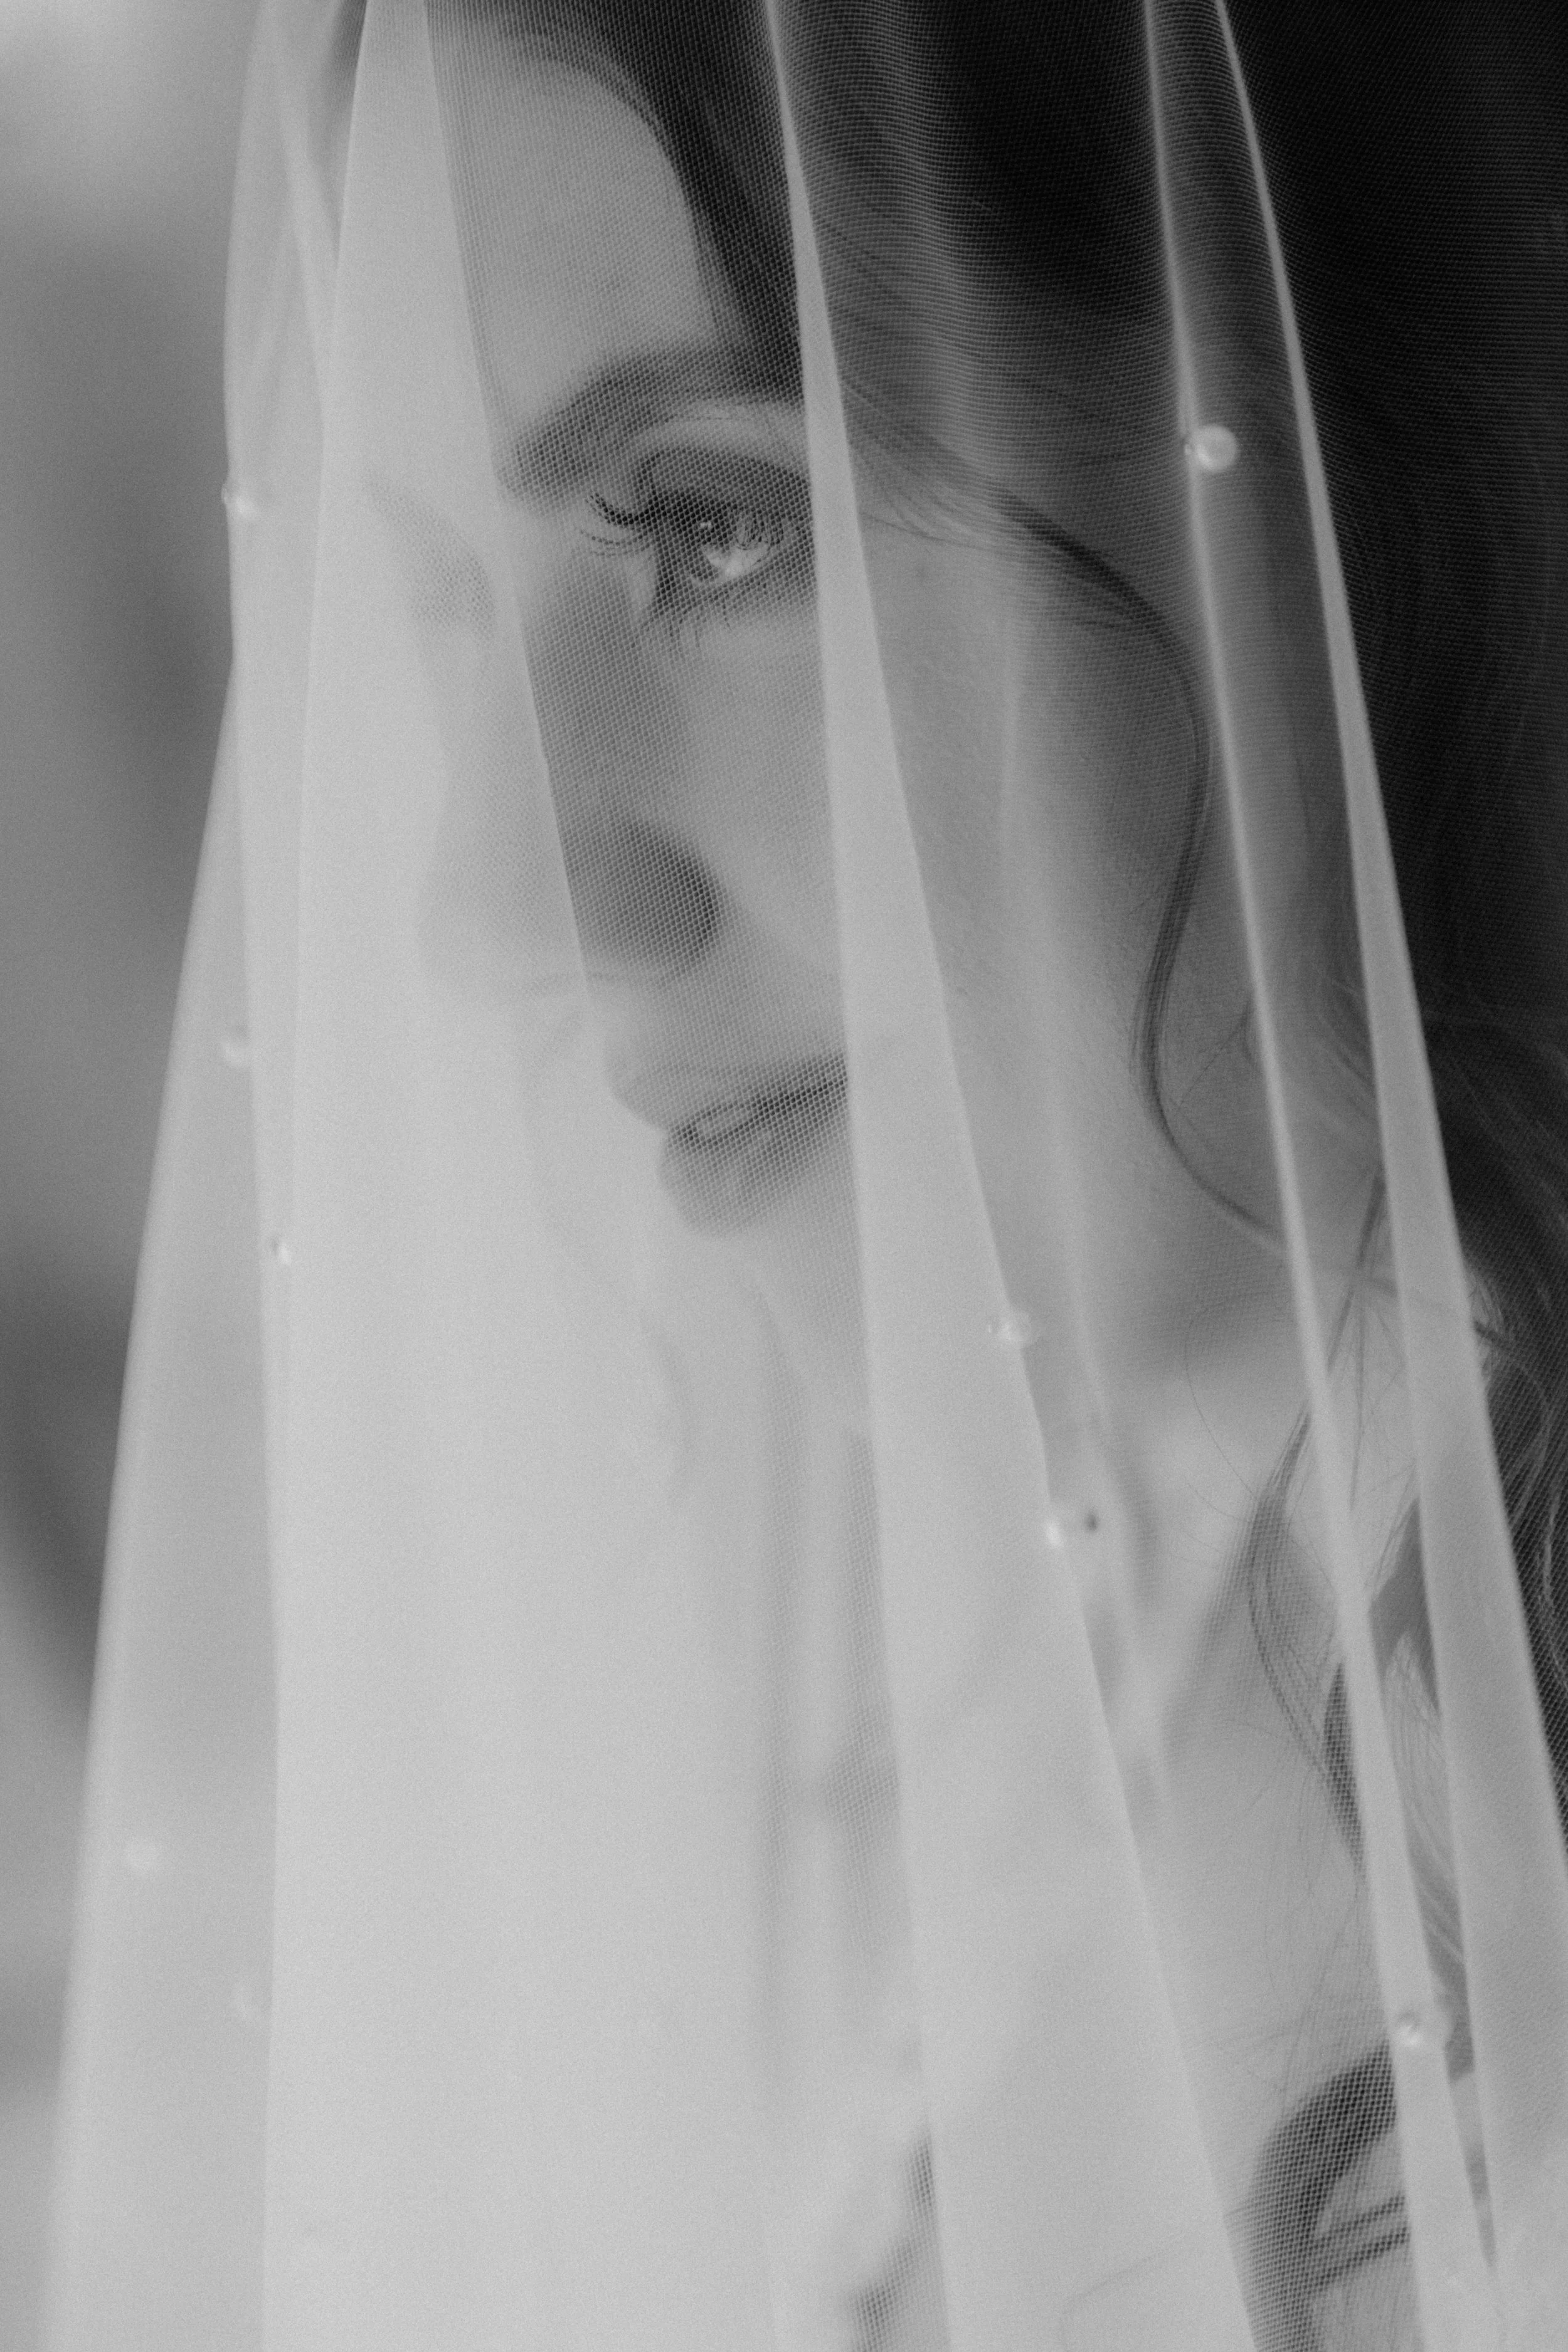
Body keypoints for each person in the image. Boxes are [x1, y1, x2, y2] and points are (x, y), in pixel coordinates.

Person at [45, 4, 1568, 2349]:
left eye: (709, 521)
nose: (511, 900)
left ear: (1358, 451)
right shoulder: (996, 1712)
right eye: (444, 612)